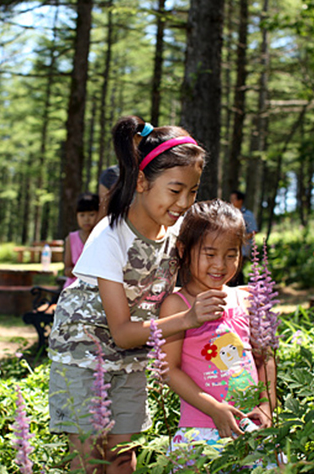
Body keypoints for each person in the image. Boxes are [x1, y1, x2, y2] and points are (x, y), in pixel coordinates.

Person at [48, 115, 226, 474]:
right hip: (84, 358)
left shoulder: (175, 236)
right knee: (87, 457)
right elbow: (123, 331)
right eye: (175, 191)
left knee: (123, 456)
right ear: (142, 181)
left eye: (192, 192)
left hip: (131, 359)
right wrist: (189, 319)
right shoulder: (110, 237)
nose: (184, 202)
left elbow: (200, 277)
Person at [159, 199, 276, 452]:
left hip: (250, 425)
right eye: (210, 254)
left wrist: (267, 406)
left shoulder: (247, 299)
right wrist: (214, 409)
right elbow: (170, 370)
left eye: (231, 255)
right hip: (200, 429)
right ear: (183, 249)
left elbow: (264, 358)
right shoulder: (178, 306)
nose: (220, 265)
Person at [63, 192, 100, 288]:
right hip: (73, 288)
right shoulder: (71, 239)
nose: (86, 219)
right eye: (82, 215)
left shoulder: (100, 237)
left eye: (91, 215)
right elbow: (67, 269)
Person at [230, 190, 258, 286]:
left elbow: (253, 231)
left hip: (243, 249)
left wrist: (241, 239)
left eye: (234, 199)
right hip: (230, 248)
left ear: (240, 200)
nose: (231, 201)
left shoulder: (247, 215)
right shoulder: (229, 214)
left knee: (237, 270)